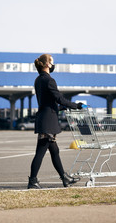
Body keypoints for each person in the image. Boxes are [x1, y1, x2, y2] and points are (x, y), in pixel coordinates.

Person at [28, 54, 84, 189]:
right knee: (40, 152)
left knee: (55, 151)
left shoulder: (38, 80)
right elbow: (59, 97)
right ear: (47, 64)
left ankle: (64, 178)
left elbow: (48, 103)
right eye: (52, 62)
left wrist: (61, 107)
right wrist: (76, 105)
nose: (53, 65)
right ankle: (32, 181)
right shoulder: (49, 80)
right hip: (48, 122)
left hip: (45, 118)